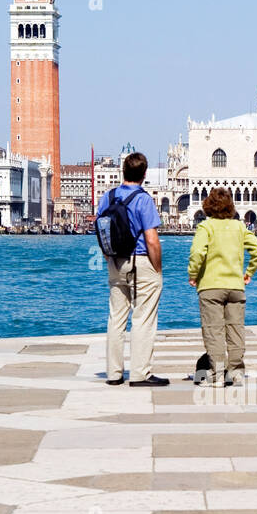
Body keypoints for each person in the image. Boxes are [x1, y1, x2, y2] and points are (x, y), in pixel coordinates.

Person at [97, 151, 169, 388]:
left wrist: (108, 256)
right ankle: (140, 373)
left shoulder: (107, 197)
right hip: (140, 262)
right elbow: (152, 239)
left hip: (115, 262)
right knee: (143, 317)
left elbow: (101, 229)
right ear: (144, 174)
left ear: (123, 172)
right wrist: (157, 268)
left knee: (116, 318)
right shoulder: (143, 199)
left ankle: (114, 373)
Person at [187, 187, 257, 385]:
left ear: (208, 206)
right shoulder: (239, 227)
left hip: (211, 287)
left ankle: (218, 374)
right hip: (236, 287)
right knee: (236, 330)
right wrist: (249, 273)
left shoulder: (206, 227)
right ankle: (237, 373)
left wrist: (193, 274)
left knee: (214, 331)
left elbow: (197, 253)